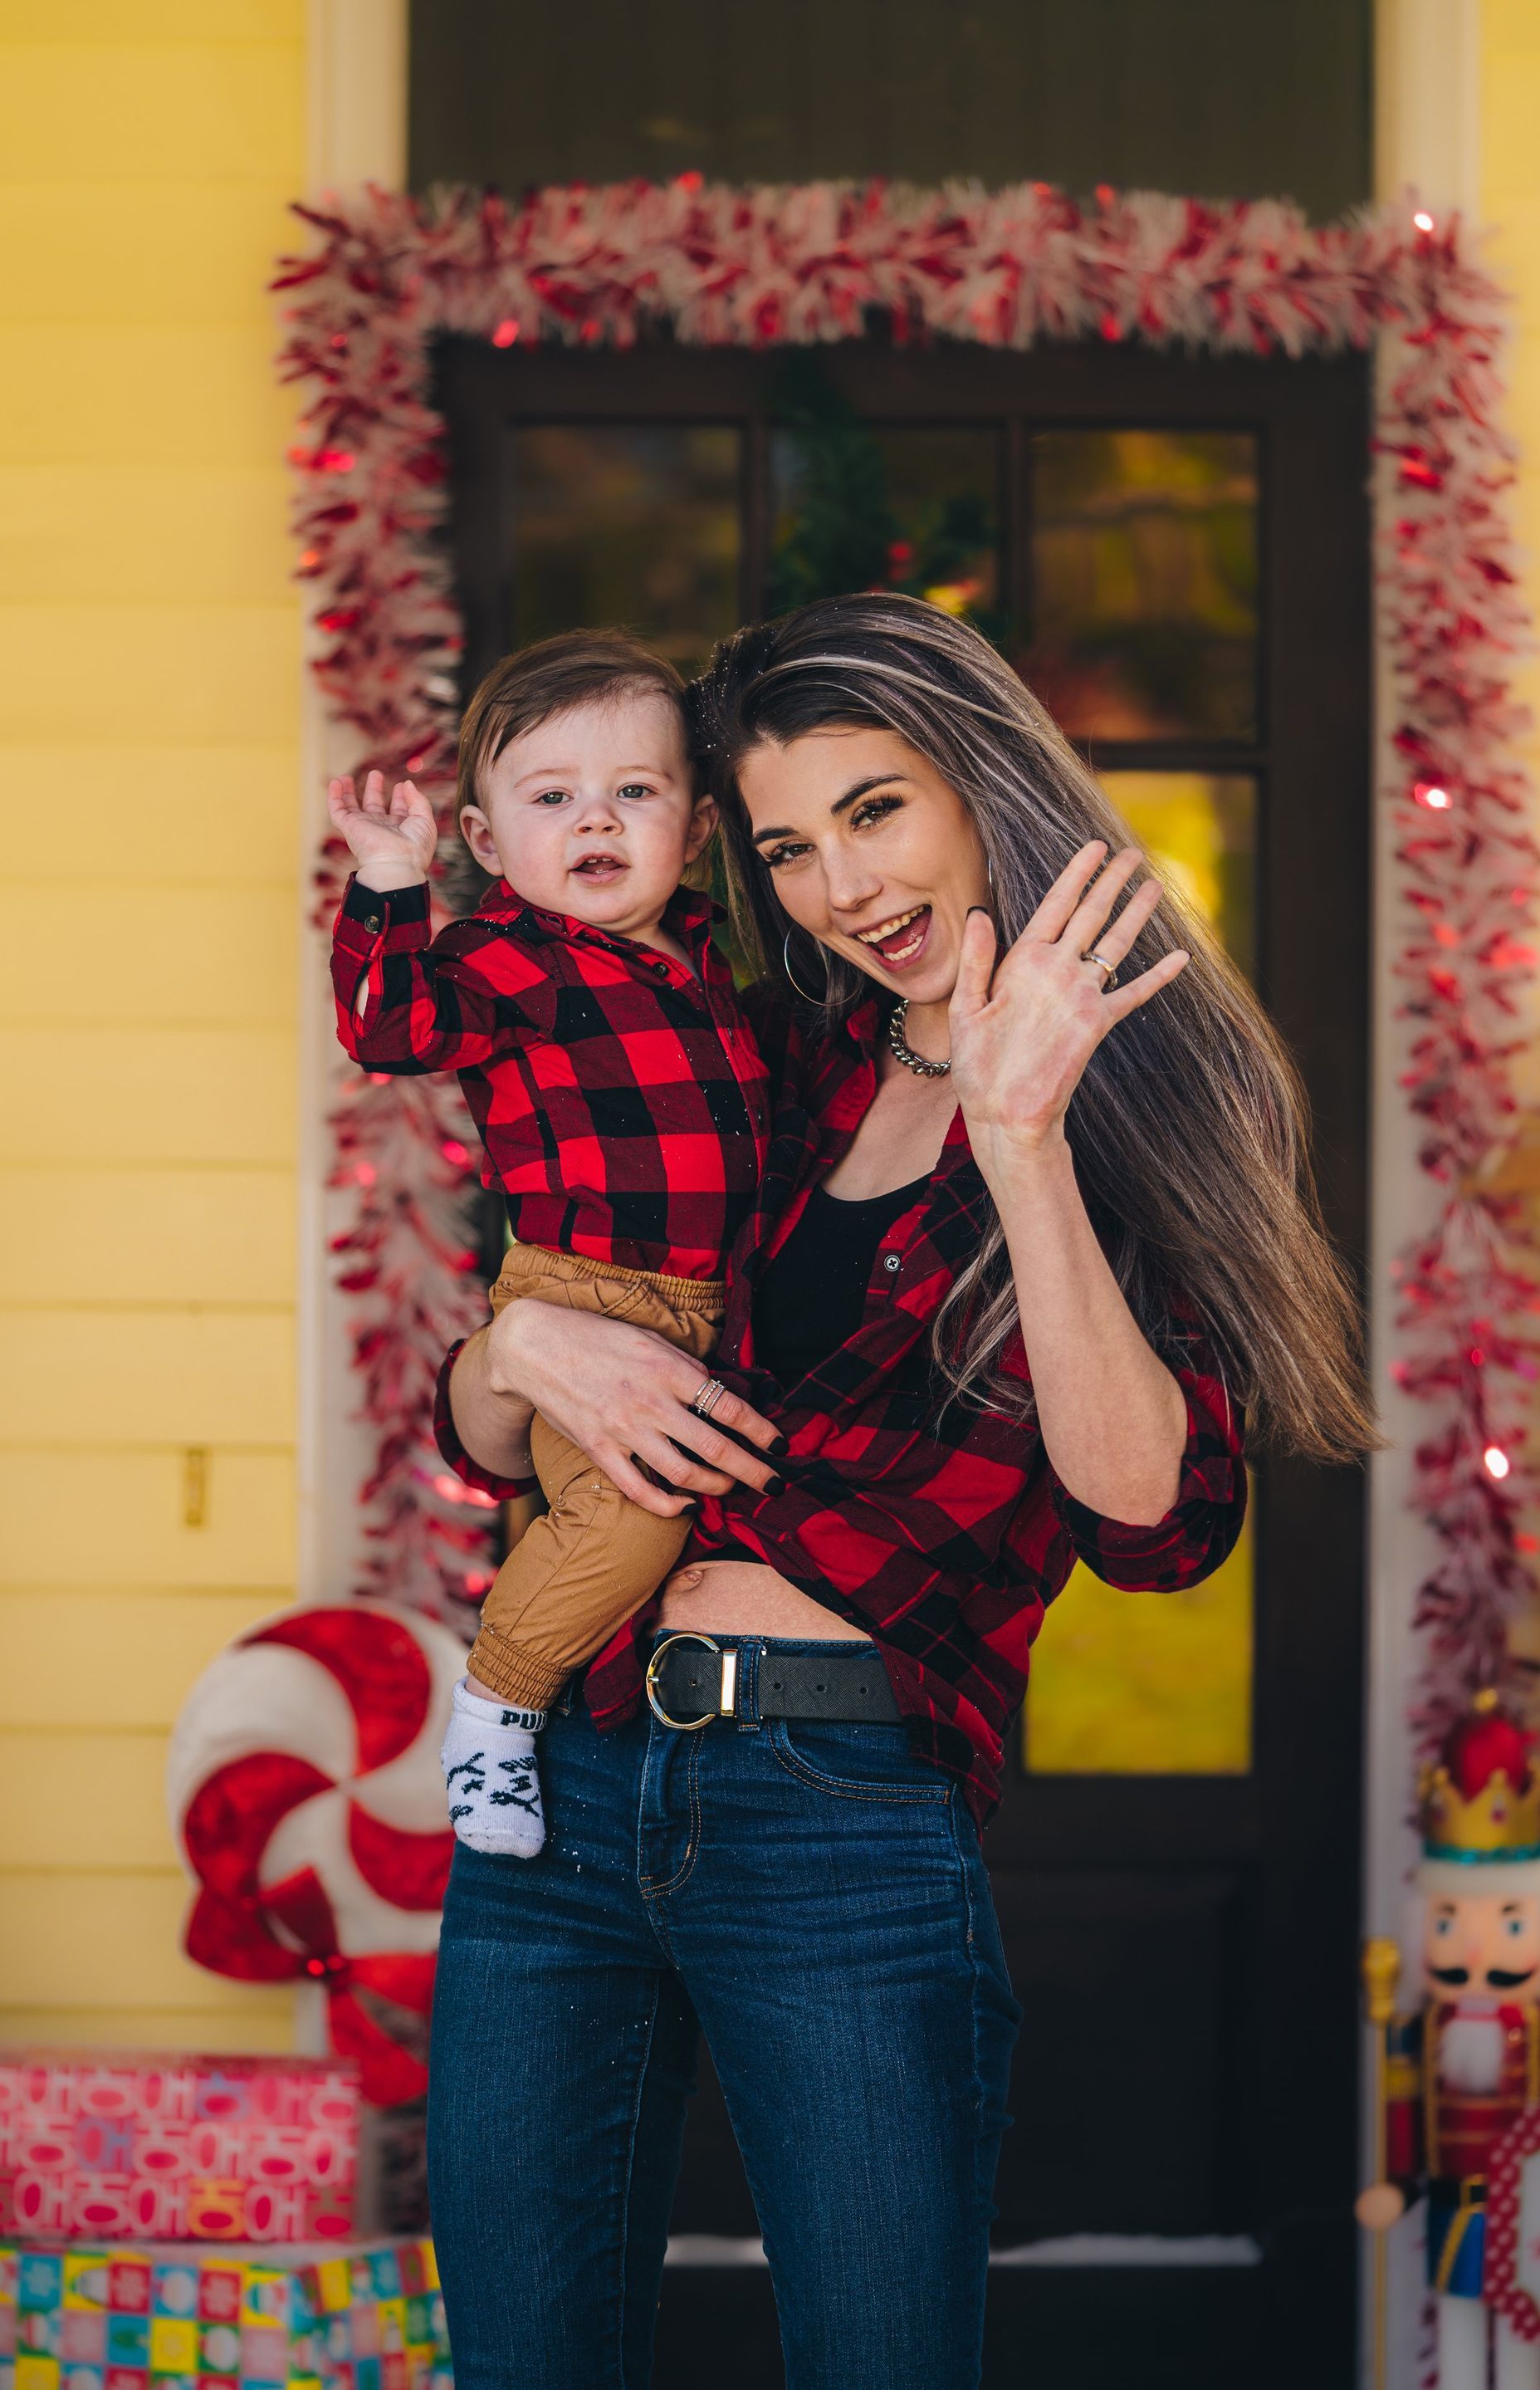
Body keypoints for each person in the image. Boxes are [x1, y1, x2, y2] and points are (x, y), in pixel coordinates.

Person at [424, 594, 1376, 2390]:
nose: (842, 886)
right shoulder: (769, 1060)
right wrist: (525, 1351)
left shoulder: (1138, 1102)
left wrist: (1020, 1143)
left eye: (876, 810)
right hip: (557, 1787)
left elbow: (1155, 1522)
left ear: (981, 787)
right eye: (786, 843)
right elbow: (492, 1421)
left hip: (837, 1807)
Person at [327, 630, 771, 1859]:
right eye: (553, 796)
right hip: (587, 1297)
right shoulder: (504, 959)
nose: (599, 821)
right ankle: (497, 1708)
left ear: (692, 829)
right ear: (487, 840)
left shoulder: (709, 960)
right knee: (635, 1513)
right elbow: (390, 1027)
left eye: (636, 791)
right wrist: (386, 884)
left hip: (703, 1302)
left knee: (671, 1495)